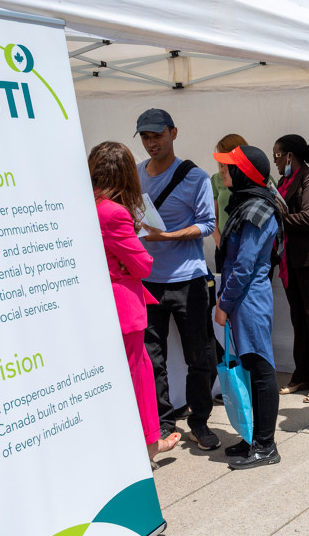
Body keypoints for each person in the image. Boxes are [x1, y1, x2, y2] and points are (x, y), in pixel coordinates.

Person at [89, 142, 181, 462]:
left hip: (99, 304)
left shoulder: (88, 205)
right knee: (137, 375)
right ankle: (147, 446)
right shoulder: (115, 212)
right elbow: (143, 264)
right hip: (122, 304)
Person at [135, 109, 219, 451]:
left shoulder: (195, 177)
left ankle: (199, 419)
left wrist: (167, 238)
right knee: (152, 359)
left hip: (188, 281)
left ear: (173, 133)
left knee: (199, 356)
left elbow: (208, 224)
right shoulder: (136, 174)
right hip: (147, 281)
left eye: (157, 135)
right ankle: (163, 424)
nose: (151, 143)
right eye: (145, 137)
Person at [213, 145, 285, 469]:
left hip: (248, 301)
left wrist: (224, 305)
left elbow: (244, 266)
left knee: (261, 371)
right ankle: (252, 438)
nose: (222, 172)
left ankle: (266, 447)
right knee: (252, 369)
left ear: (244, 173)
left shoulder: (258, 210)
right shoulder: (246, 204)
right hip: (244, 299)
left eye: (228, 168)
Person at [272, 134, 309, 403]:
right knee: (298, 318)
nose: (274, 161)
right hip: (290, 260)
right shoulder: (284, 181)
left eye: (277, 155)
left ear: (289, 156)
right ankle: (301, 375)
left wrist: (278, 218)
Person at [211, 134, 248, 272]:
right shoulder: (216, 179)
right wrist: (220, 242)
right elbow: (211, 217)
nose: (222, 165)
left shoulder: (259, 175)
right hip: (225, 247)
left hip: (251, 247)